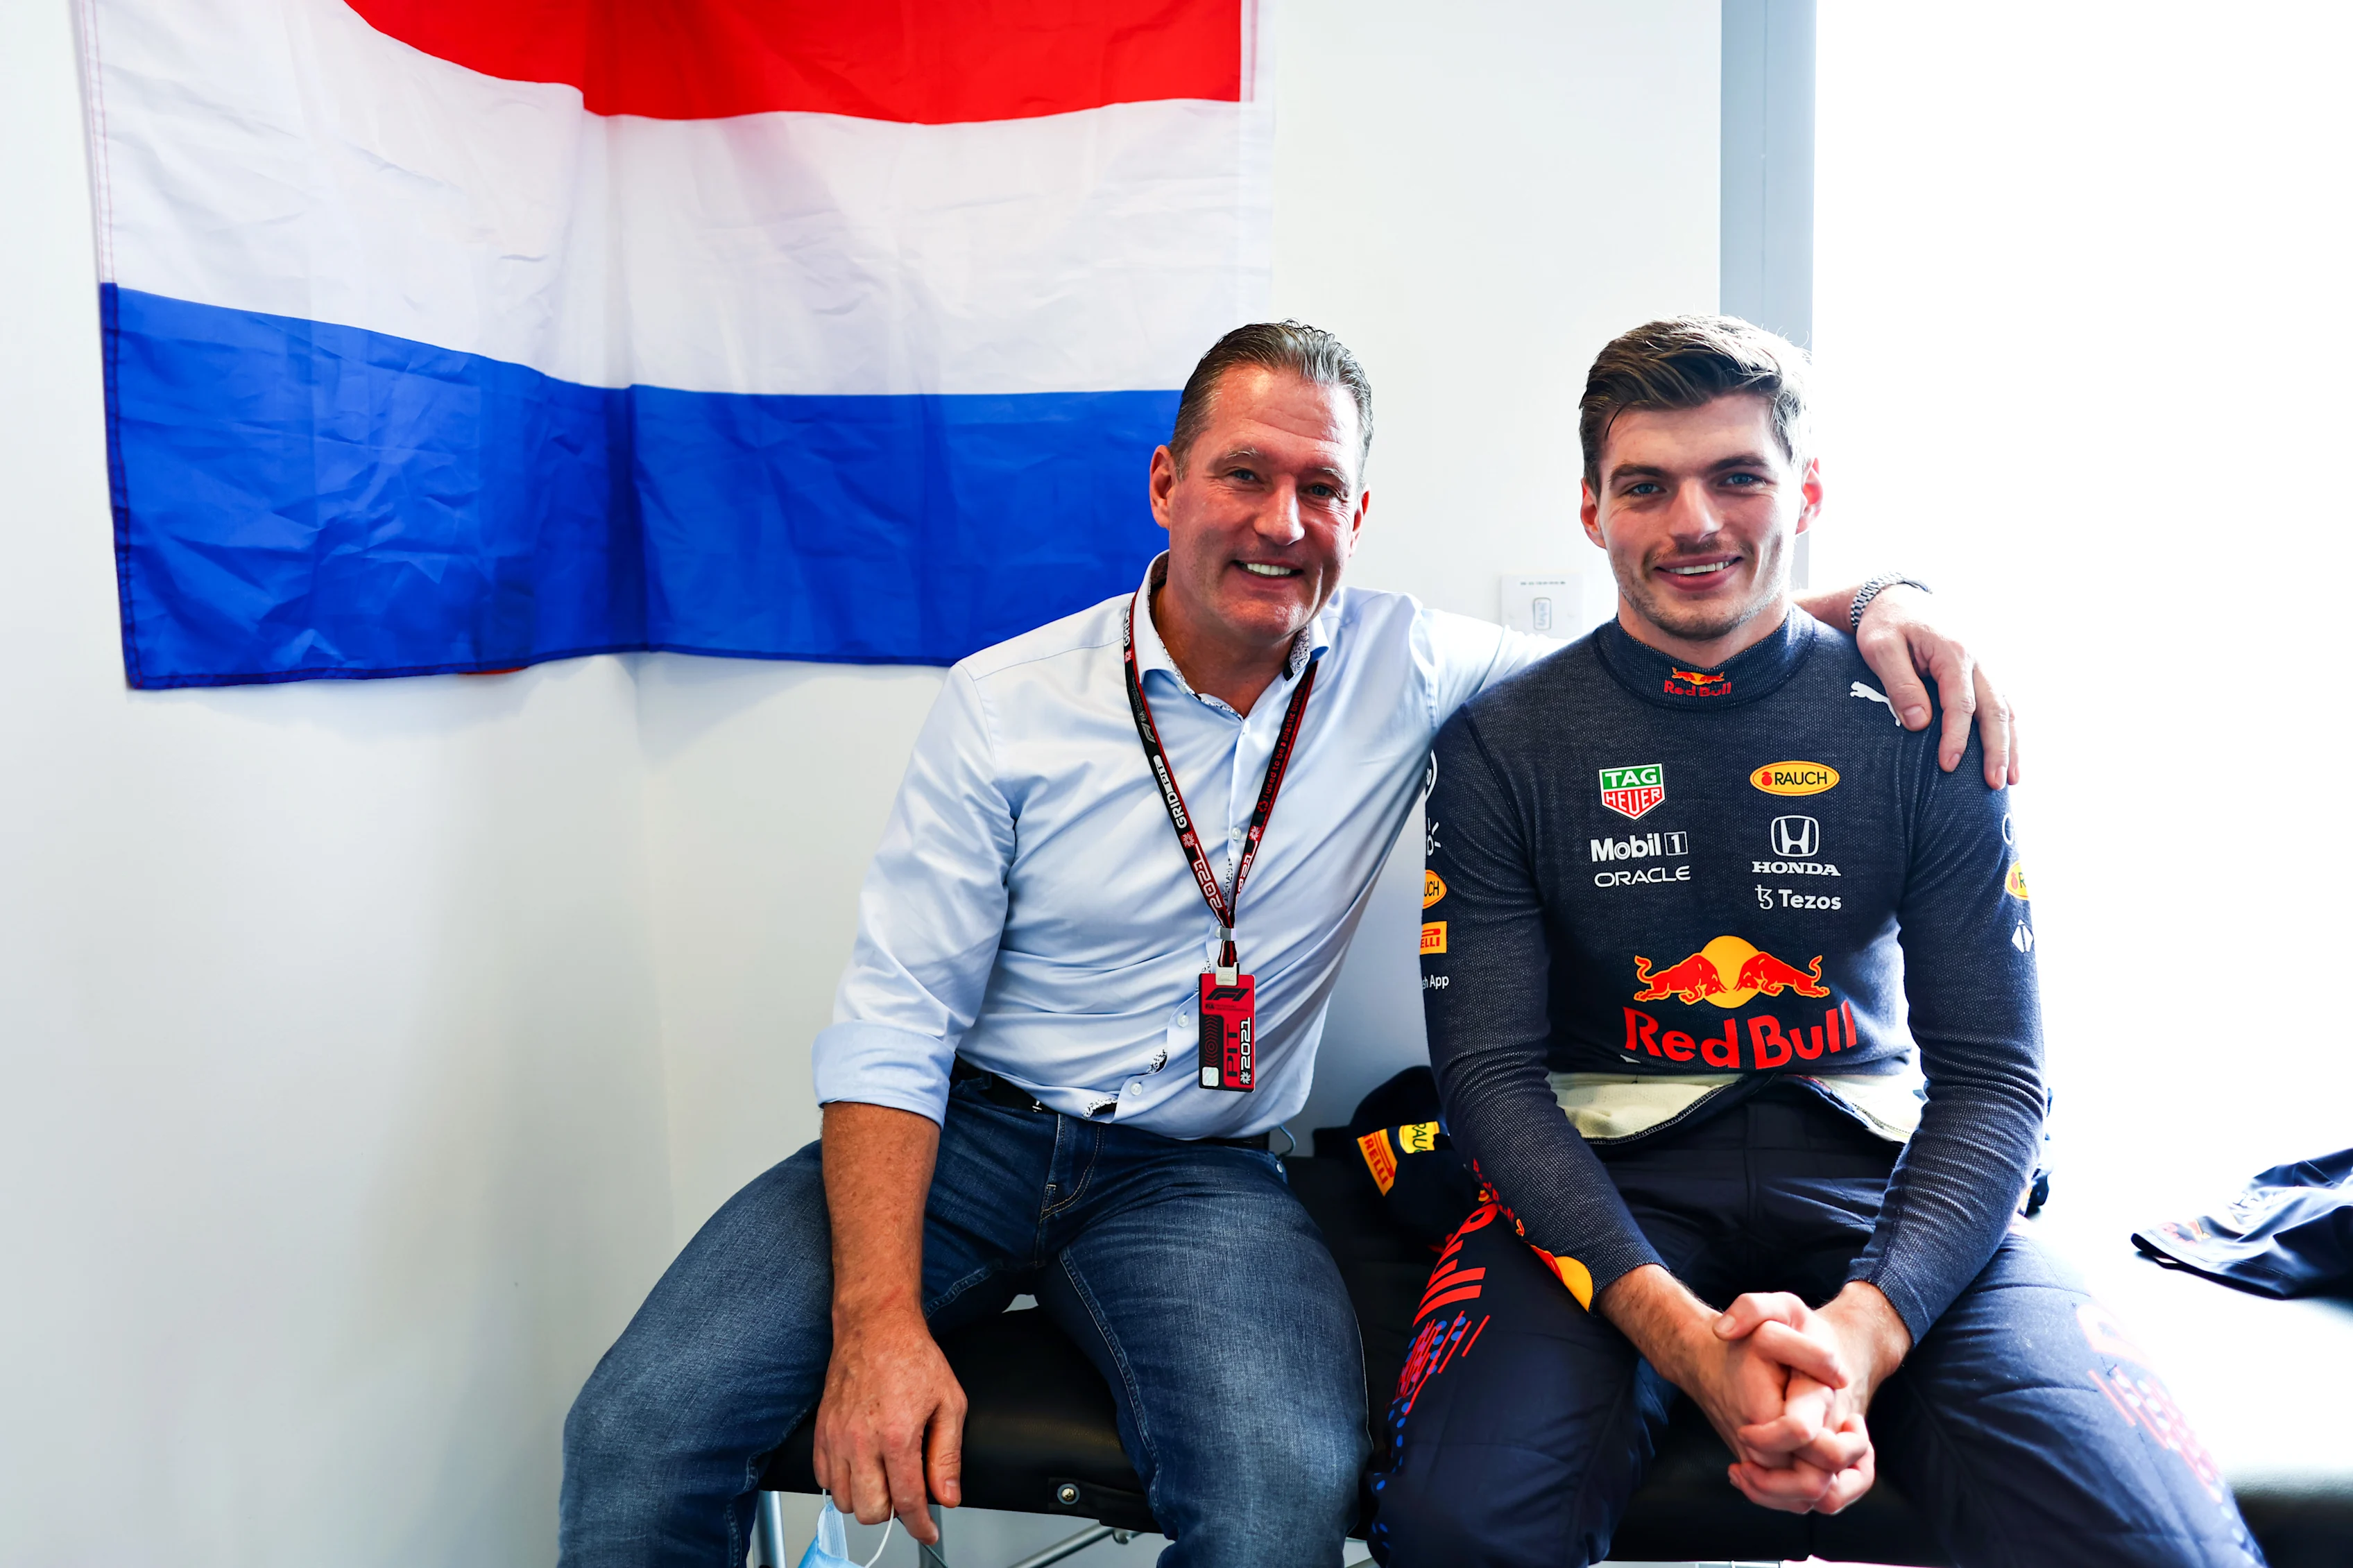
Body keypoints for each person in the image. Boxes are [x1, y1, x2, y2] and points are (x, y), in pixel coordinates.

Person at [558, 321, 2017, 1568]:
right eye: (1244, 474)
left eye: (1321, 487)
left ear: (1358, 513)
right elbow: (892, 1025)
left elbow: (1685, 622)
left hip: (1197, 1174)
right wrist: (877, 1320)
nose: (1280, 520)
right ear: (1166, 484)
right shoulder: (1004, 705)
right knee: (637, 1431)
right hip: (967, 1137)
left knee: (1281, 1496)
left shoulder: (1417, 666)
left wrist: (1892, 601)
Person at [1371, 316, 2261, 1567]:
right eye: (1647, 486)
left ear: (1809, 492)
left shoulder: (1921, 714)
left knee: (2162, 1547)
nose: (1694, 522)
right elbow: (1488, 1084)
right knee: (1454, 1534)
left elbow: (1999, 1080)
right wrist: (1692, 1347)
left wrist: (1862, 1333)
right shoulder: (1502, 743)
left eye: (1738, 476)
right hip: (1607, 1183)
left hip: (1885, 1174)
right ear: (1591, 511)